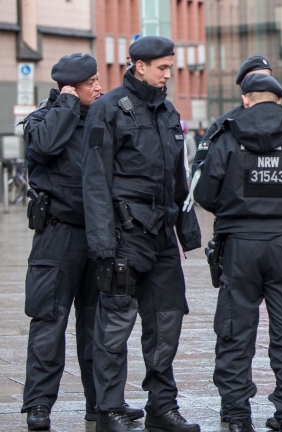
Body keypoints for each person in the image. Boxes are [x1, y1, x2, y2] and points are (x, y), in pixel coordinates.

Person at [194, 73, 282, 432]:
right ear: (280, 100)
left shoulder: (227, 135)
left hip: (239, 246)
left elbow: (205, 193)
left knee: (234, 332)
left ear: (246, 99)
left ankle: (237, 416)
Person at [82, 36, 202, 432]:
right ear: (139, 66)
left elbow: (179, 177)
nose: (168, 74)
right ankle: (109, 410)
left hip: (162, 235)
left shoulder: (168, 111)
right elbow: (94, 181)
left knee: (167, 321)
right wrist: (102, 244)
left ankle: (162, 408)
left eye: (170, 66)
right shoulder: (107, 109)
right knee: (115, 326)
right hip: (124, 235)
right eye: (163, 67)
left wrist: (186, 230)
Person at [20, 53, 143, 431]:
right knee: (49, 319)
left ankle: (102, 404)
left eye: (98, 80)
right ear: (70, 87)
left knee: (99, 324)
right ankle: (39, 404)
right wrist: (67, 105)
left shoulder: (102, 118)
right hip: (57, 235)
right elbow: (43, 147)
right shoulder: (43, 119)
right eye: (91, 83)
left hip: (99, 234)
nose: (100, 88)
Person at [192, 55, 273, 169]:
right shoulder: (221, 126)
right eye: (254, 79)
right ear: (241, 84)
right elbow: (200, 168)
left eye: (266, 79)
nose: (261, 84)